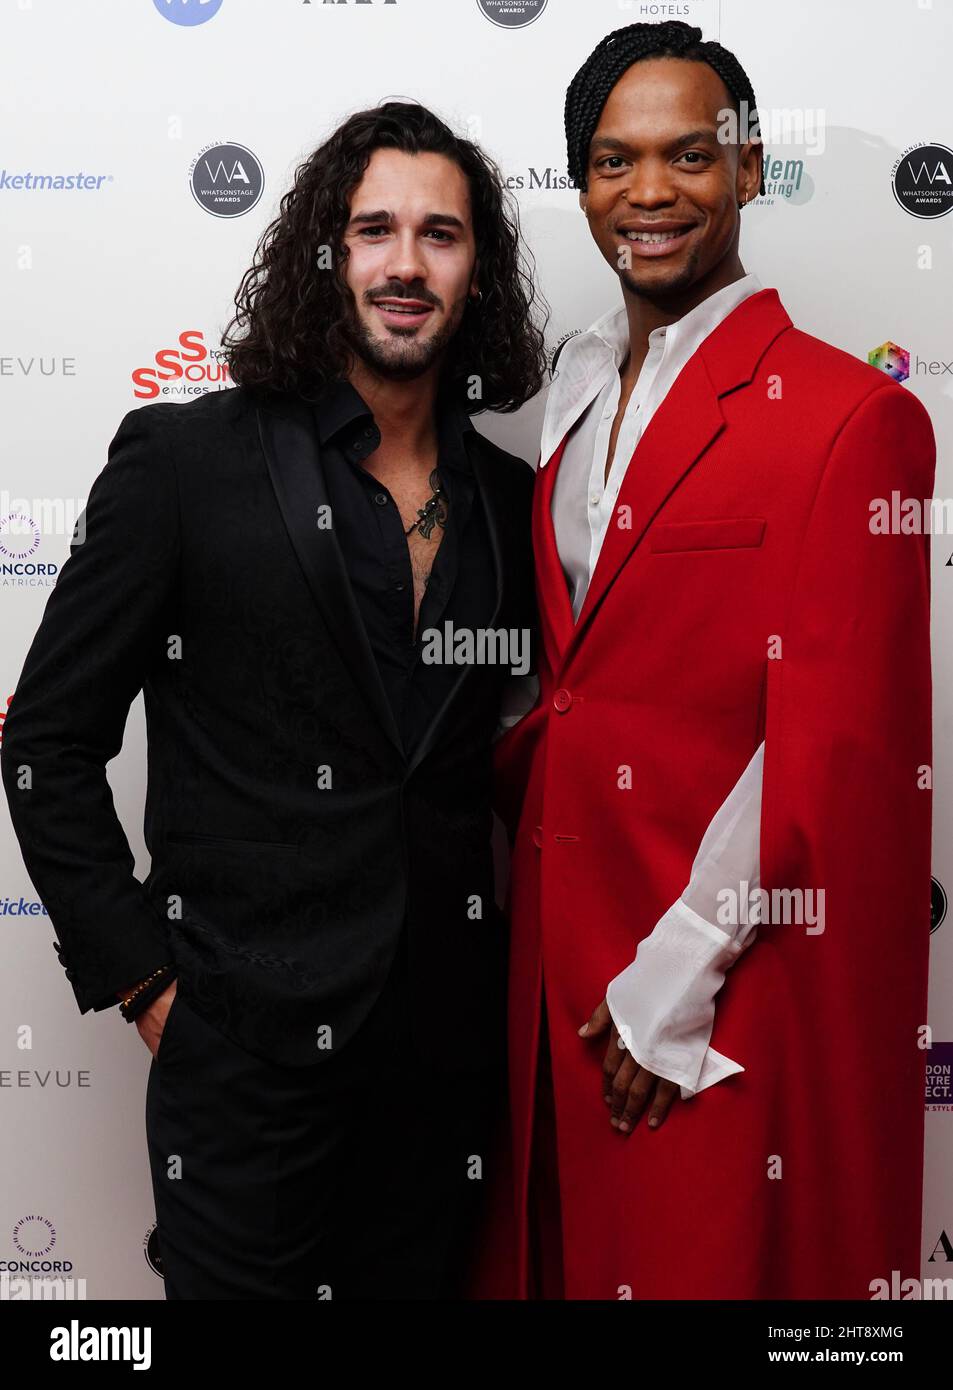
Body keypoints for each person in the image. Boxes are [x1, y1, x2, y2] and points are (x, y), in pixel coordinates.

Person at [1, 100, 546, 1300]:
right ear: (324, 253)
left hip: (445, 1067)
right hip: (242, 1060)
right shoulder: (186, 462)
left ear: (477, 270)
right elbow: (46, 739)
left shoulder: (515, 502)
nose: (405, 264)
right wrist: (149, 986)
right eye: (374, 230)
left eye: (441, 234)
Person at [490, 21, 935, 1300]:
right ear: (578, 187)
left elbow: (829, 742)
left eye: (689, 154)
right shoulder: (567, 398)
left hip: (710, 990)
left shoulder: (854, 420)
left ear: (749, 171)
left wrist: (672, 976)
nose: (649, 193)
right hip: (550, 972)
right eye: (613, 162)